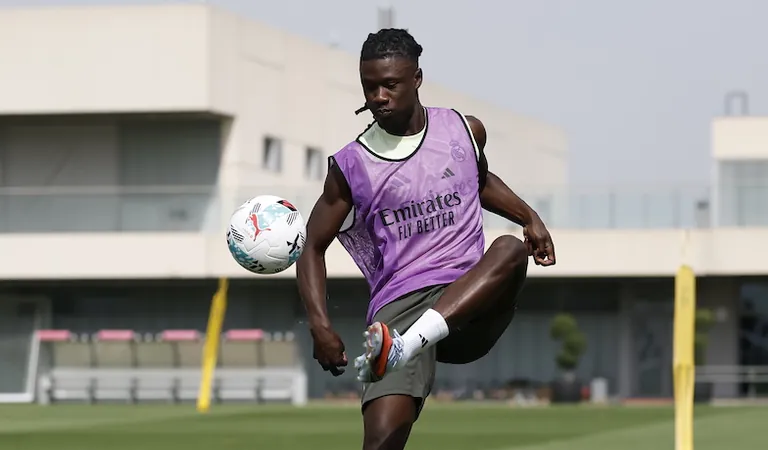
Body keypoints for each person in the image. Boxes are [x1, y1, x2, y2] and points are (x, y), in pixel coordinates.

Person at [296, 28, 556, 450]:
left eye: (390, 85)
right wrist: (320, 326)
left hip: (470, 296)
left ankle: (408, 345)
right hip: (401, 305)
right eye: (369, 87)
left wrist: (529, 217)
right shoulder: (351, 165)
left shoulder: (463, 129)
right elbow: (311, 246)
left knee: (510, 248)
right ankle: (404, 346)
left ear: (416, 78)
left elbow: (479, 180)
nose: (378, 96)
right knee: (381, 443)